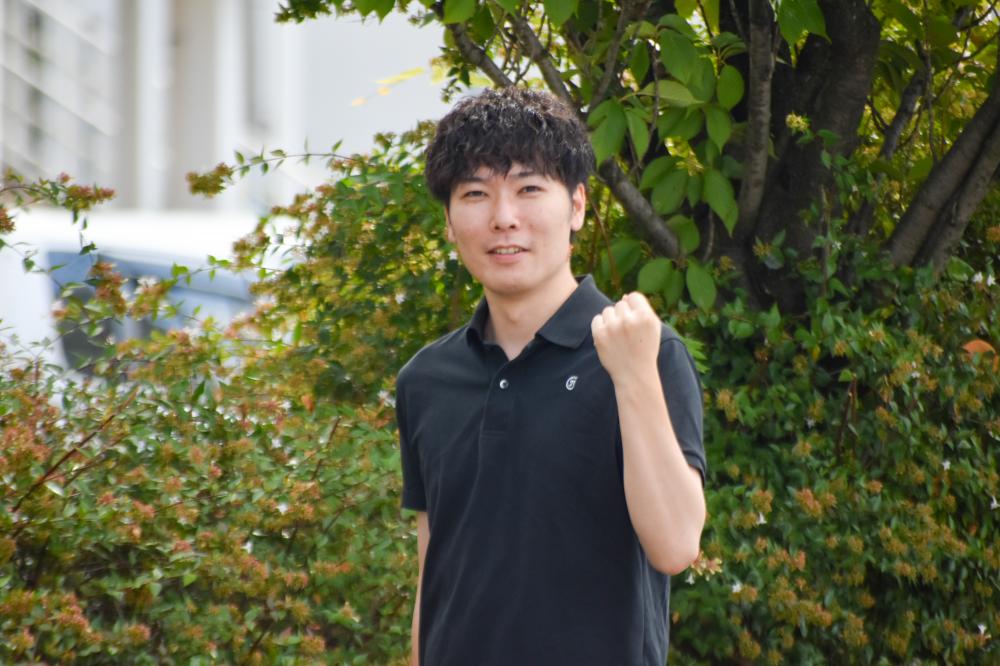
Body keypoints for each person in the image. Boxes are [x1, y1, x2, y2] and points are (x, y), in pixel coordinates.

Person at [395, 86, 707, 666]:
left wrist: (633, 376)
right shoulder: (426, 379)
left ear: (578, 206)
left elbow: (676, 546)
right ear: (449, 221)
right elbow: (434, 570)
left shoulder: (647, 353)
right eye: (475, 194)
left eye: (529, 188)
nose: (503, 218)